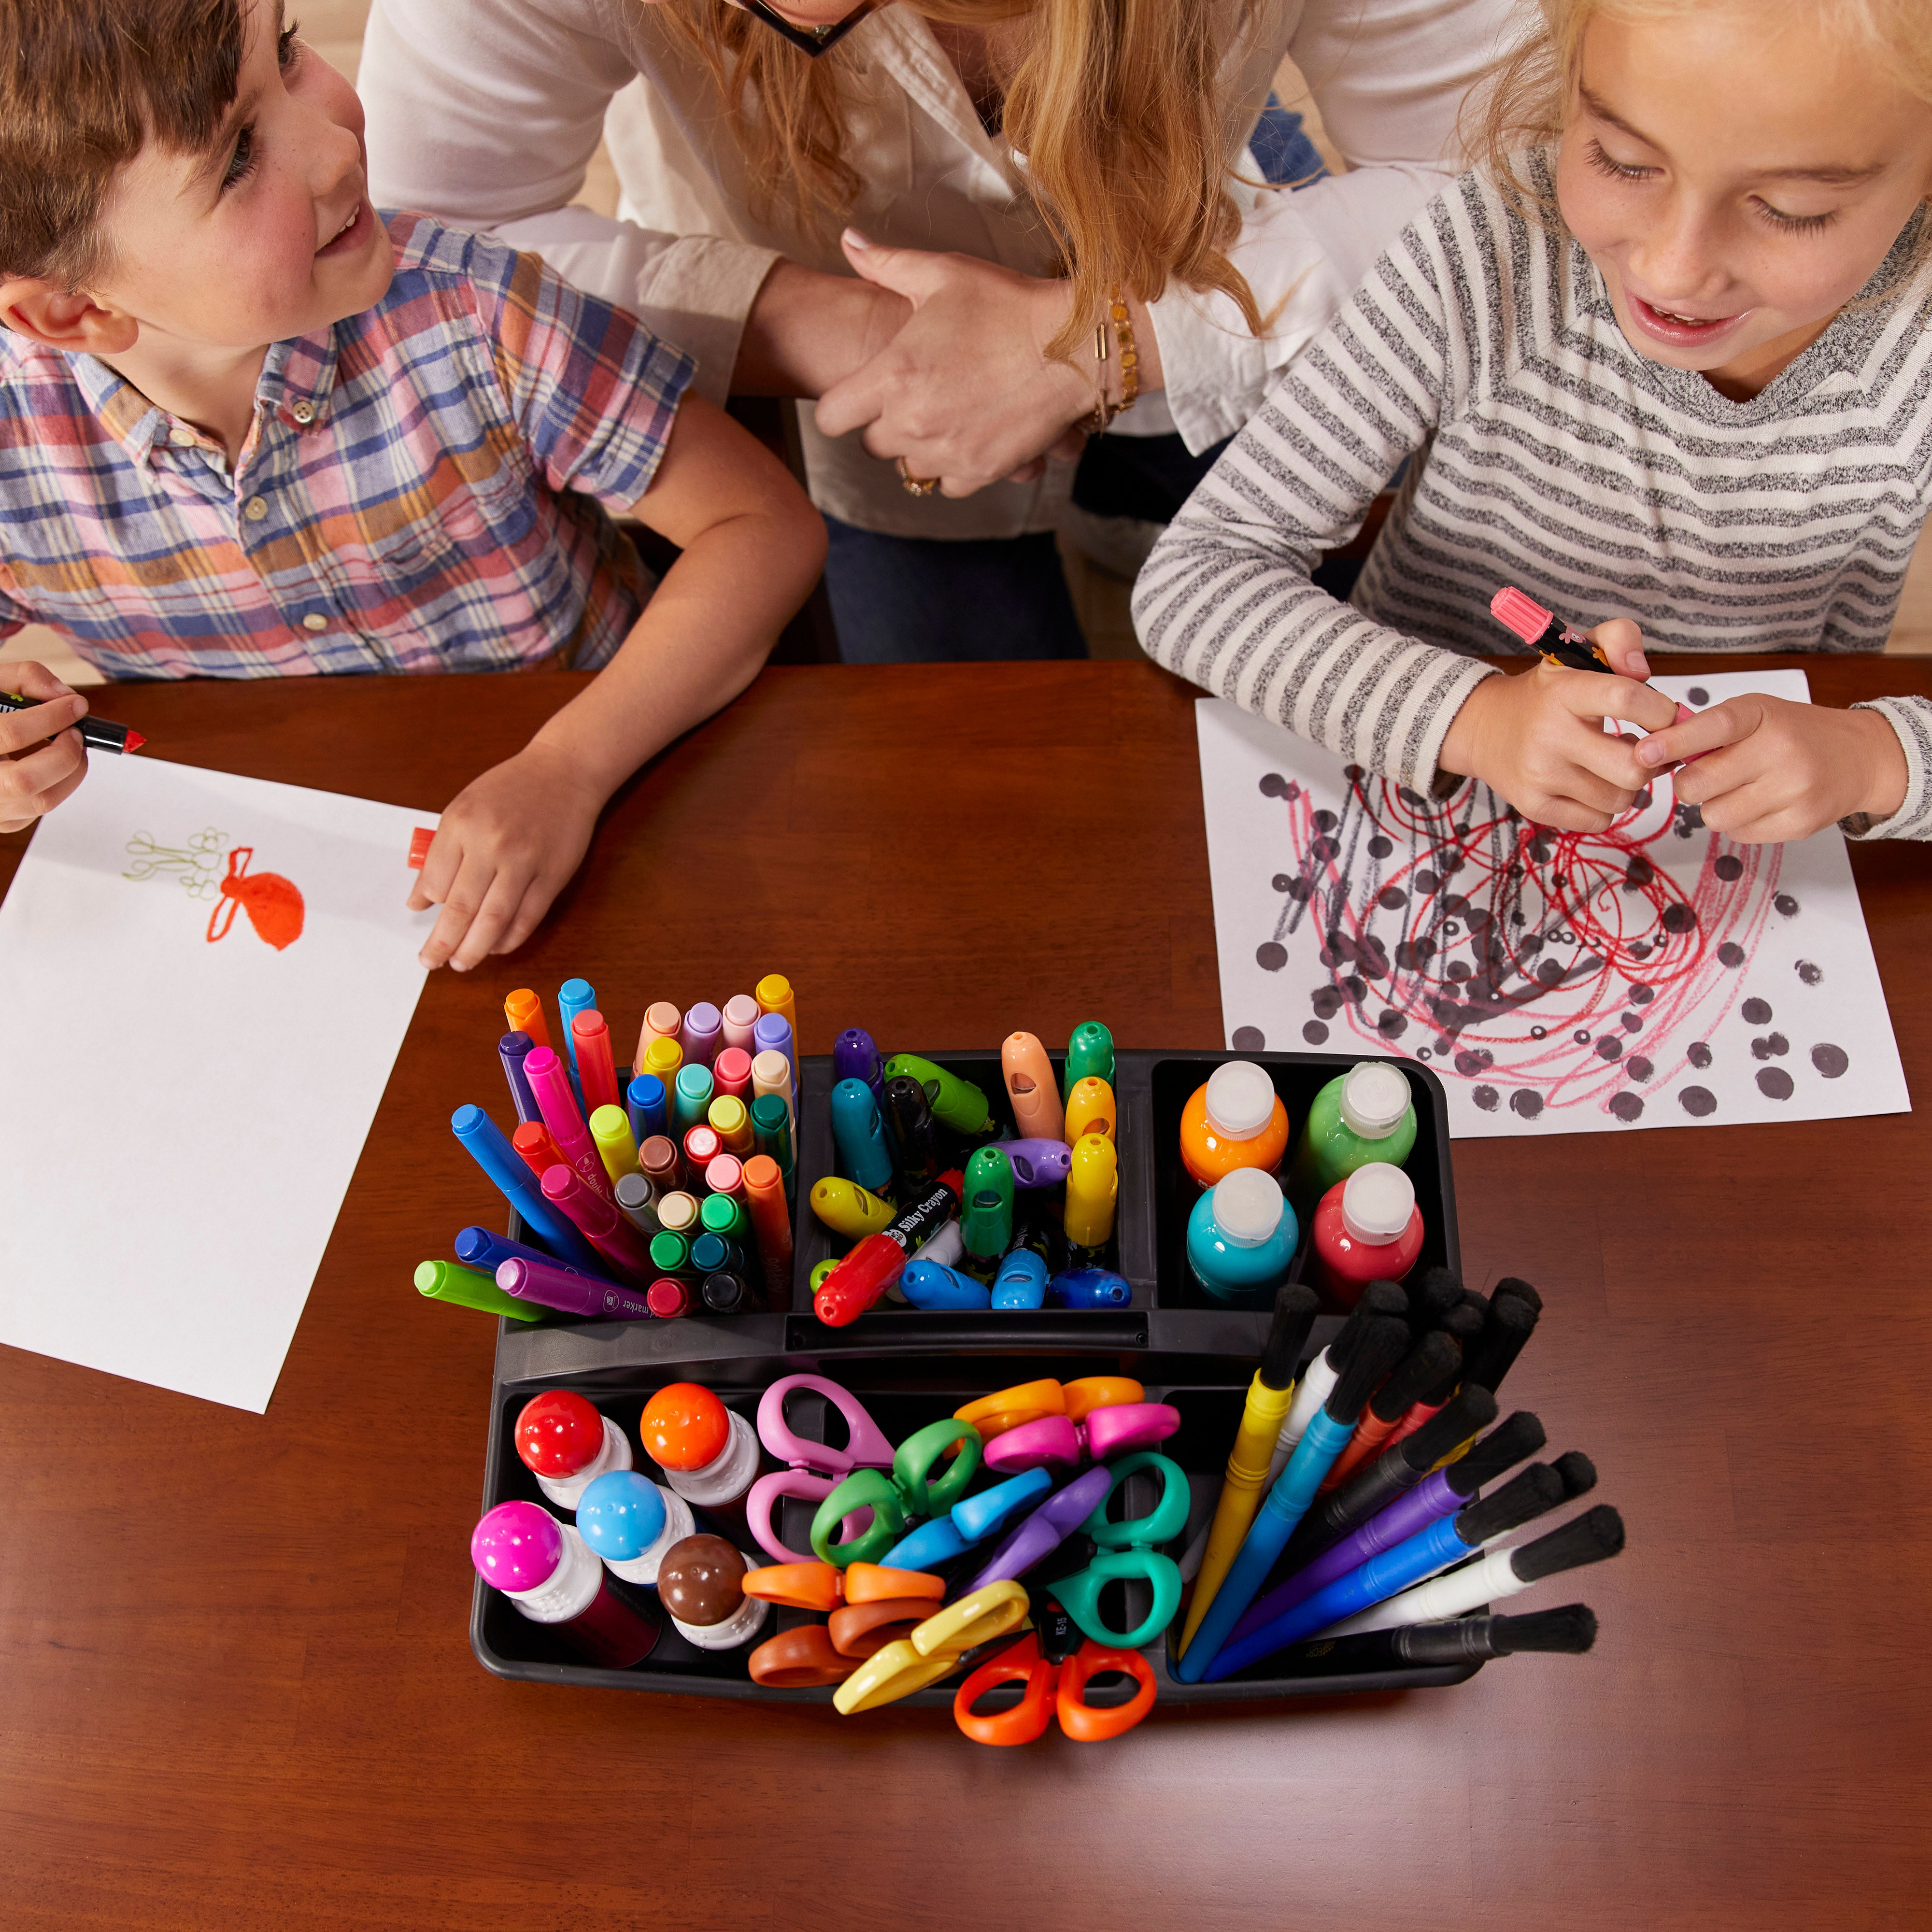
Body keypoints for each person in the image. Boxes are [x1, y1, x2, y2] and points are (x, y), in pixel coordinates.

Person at [0, 0, 825, 971]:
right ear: (73, 311)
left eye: (288, 54)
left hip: (622, 810)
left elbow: (762, 525)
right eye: (236, 159)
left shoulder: (475, 308)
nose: (336, 149)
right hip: (290, 911)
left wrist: (570, 767)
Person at [357, 0, 1517, 662]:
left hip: (1190, 231)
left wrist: (1116, 339)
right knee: (972, 784)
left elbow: (1516, 176)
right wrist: (816, 323)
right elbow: (423, 237)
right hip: (845, 406)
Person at [1135, 0, 1932, 844]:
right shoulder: (1491, 247)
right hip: (1415, 806)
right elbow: (1196, 577)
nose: (1673, 270)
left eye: (1791, 209)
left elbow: (1883, 764)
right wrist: (1478, 719)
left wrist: (1878, 759)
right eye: (1622, 162)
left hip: (1761, 841)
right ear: (1569, 86)